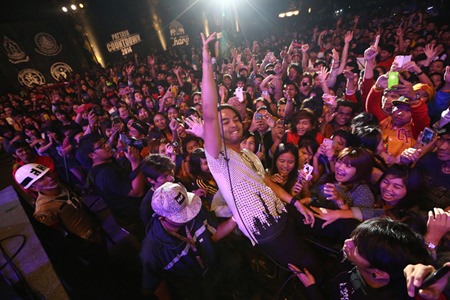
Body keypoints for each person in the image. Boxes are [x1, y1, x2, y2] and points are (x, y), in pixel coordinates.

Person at [200, 32, 321, 278]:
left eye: (235, 118)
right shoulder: (218, 158)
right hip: (265, 227)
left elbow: (266, 182)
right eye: (225, 121)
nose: (233, 123)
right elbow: (209, 113)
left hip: (281, 213)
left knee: (313, 252)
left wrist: (295, 203)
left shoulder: (248, 153)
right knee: (308, 267)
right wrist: (206, 62)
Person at [289, 217, 433, 299]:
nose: (347, 242)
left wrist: (312, 289)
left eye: (357, 247)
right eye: (353, 238)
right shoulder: (356, 259)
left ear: (378, 273)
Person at [140, 182, 236, 299]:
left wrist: (235, 219)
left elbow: (214, 235)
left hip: (216, 268)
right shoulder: (151, 252)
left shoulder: (195, 211)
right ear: (162, 218)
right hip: (195, 290)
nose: (189, 215)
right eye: (181, 216)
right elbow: (156, 285)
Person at [77, 133, 146, 241]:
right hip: (137, 215)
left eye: (105, 142)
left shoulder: (102, 165)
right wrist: (135, 162)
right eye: (101, 145)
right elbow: (137, 192)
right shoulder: (105, 174)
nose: (107, 145)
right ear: (92, 155)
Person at [14, 163, 103, 245]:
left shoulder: (60, 186)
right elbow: (58, 237)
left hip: (95, 228)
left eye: (48, 174)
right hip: (86, 243)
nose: (50, 178)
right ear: (34, 188)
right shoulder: (44, 210)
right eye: (41, 179)